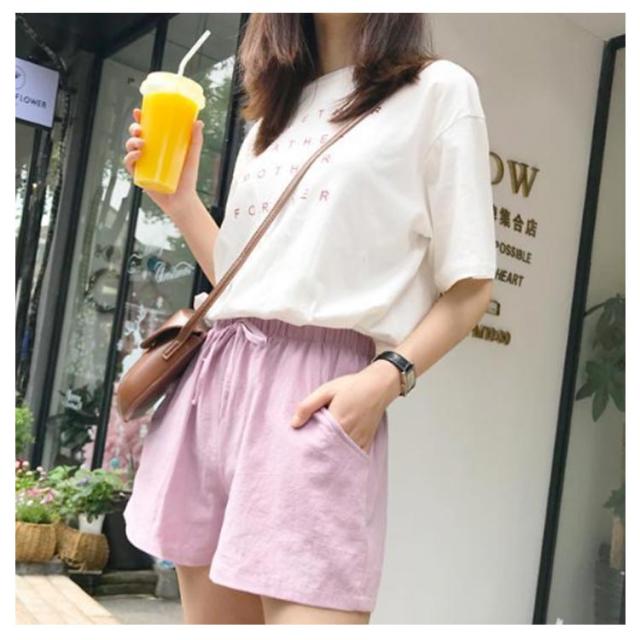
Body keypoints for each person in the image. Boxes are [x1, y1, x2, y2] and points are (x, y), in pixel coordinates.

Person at [121, 13, 496, 625]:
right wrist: (181, 202)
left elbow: (471, 287)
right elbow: (242, 282)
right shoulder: (269, 119)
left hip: (310, 400)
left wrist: (385, 377)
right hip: (217, 386)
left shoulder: (438, 91)